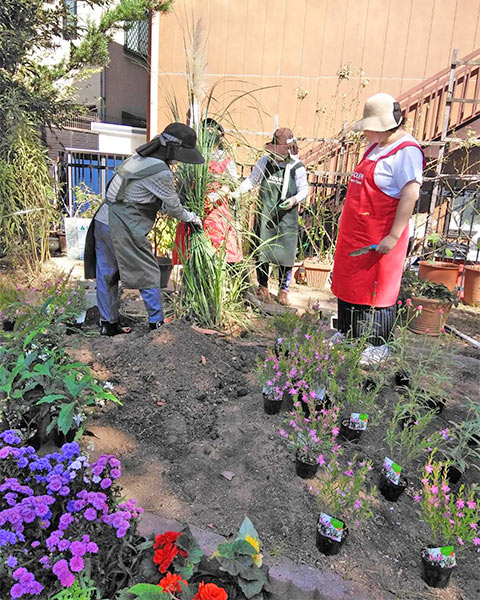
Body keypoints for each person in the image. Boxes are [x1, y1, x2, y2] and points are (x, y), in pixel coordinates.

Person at [84, 123, 204, 336]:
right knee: (148, 272)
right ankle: (156, 325)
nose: (179, 161)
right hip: (122, 224)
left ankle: (108, 324)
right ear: (172, 150)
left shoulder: (139, 158)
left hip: (103, 219)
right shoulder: (160, 171)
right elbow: (174, 208)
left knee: (107, 274)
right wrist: (192, 218)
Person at [331, 92, 425, 360]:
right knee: (349, 285)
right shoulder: (376, 146)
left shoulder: (406, 152)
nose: (364, 132)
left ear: (384, 125)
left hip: (380, 237)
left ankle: (377, 345)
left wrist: (394, 236)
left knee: (376, 291)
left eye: (368, 126)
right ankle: (348, 335)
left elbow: (411, 194)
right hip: (355, 234)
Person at [234, 127, 309, 305]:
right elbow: (253, 180)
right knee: (263, 252)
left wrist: (293, 200)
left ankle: (283, 289)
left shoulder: (297, 168)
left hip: (287, 217)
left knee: (286, 254)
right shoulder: (265, 162)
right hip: (266, 215)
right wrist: (236, 193)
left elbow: (304, 190)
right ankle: (263, 286)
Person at [172, 119, 243, 265]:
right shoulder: (192, 158)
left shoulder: (225, 161)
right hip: (193, 211)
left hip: (215, 212)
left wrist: (211, 198)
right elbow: (181, 182)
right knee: (191, 252)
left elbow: (228, 186)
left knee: (216, 253)